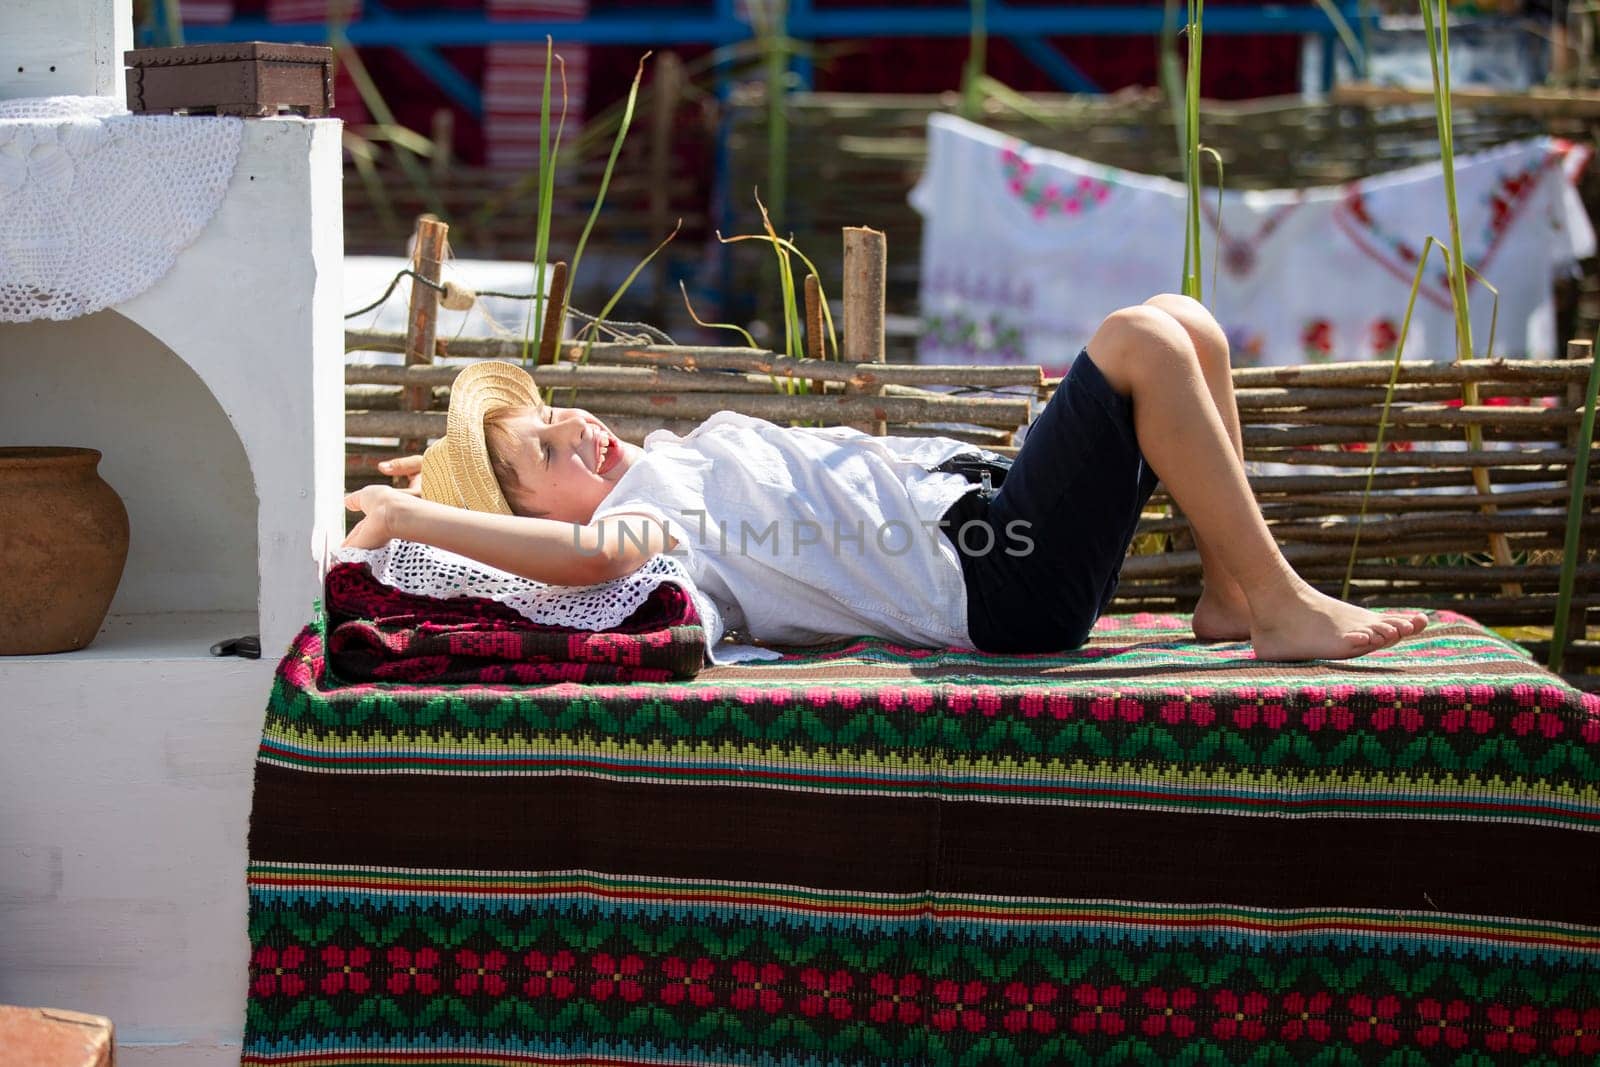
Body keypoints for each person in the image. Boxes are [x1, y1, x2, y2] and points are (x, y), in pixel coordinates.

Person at [345, 294, 1428, 661]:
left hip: (986, 517)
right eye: (544, 450)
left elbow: (552, 515)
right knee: (1140, 336)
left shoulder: (659, 469)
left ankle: (1231, 594)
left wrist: (437, 489)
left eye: (554, 414)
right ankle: (1278, 602)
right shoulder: (647, 525)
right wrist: (415, 512)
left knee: (1184, 322)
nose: (573, 425)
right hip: (997, 586)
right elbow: (577, 559)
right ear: (533, 509)